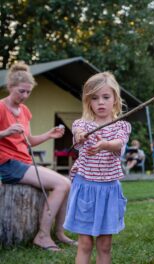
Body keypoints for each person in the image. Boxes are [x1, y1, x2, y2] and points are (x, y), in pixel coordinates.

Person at [0, 62, 74, 252]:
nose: (25, 96)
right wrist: (5, 132)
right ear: (10, 87)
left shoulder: (25, 111)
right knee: (62, 184)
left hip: (23, 161)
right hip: (7, 164)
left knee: (66, 183)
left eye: (28, 92)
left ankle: (58, 233)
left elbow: (29, 141)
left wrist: (49, 135)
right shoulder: (0, 108)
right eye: (21, 92)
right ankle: (42, 235)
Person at [63, 72, 131, 263]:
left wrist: (105, 145)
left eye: (106, 97)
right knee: (84, 244)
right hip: (85, 188)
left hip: (108, 190)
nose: (100, 102)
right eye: (95, 98)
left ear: (115, 99)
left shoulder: (122, 126)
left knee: (104, 245)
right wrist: (80, 135)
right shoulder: (82, 125)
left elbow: (119, 144)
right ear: (88, 101)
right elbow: (77, 133)